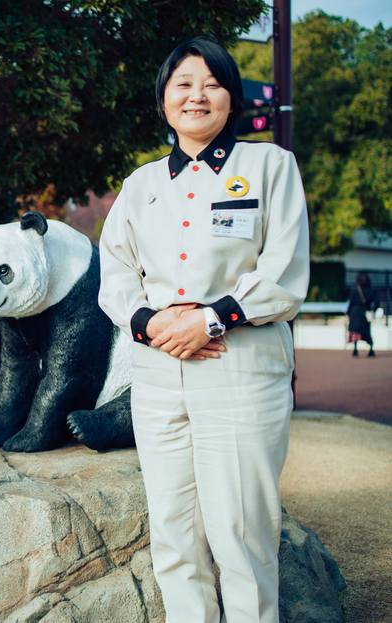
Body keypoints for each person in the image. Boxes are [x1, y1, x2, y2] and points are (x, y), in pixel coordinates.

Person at [98, 37, 310, 623]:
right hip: (158, 373)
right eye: (182, 85)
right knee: (173, 533)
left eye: (211, 84)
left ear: (231, 98)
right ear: (163, 100)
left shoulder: (270, 167)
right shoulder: (140, 185)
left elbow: (284, 271)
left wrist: (211, 318)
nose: (196, 96)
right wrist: (152, 322)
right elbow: (115, 273)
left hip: (240, 369)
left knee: (241, 531)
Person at [346, 271, 376, 357]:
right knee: (366, 332)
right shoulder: (372, 290)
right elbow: (376, 302)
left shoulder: (355, 290)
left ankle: (355, 350)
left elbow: (351, 303)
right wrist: (372, 310)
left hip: (355, 312)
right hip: (365, 313)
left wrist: (347, 313)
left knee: (355, 332)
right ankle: (371, 349)